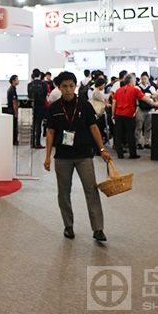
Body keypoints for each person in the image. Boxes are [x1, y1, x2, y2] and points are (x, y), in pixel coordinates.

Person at [43, 71, 112, 242]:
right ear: (59, 87)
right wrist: (47, 156)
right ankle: (68, 225)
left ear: (75, 86)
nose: (68, 89)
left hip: (84, 155)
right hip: (62, 157)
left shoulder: (84, 105)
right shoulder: (54, 108)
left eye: (71, 86)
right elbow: (50, 133)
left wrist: (102, 149)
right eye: (64, 86)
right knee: (63, 193)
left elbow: (94, 128)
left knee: (91, 190)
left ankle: (98, 229)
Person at [112, 74, 157, 159]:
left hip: (118, 115)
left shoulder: (118, 90)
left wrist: (113, 115)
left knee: (118, 135)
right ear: (132, 81)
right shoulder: (135, 90)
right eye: (135, 81)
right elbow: (145, 99)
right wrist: (155, 104)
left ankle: (120, 154)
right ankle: (132, 154)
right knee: (130, 134)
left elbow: (114, 103)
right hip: (128, 115)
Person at [27, 68, 48, 148]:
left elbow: (29, 96)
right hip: (41, 107)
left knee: (33, 125)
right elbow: (45, 95)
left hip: (33, 107)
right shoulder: (44, 84)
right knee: (39, 124)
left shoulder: (29, 84)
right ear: (39, 74)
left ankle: (32, 143)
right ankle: (38, 143)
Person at [135, 72, 156, 149]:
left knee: (148, 126)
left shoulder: (151, 87)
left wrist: (150, 96)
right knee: (138, 126)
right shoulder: (137, 87)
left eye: (145, 79)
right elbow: (137, 96)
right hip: (140, 108)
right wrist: (147, 96)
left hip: (149, 109)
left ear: (148, 79)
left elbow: (155, 95)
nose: (144, 80)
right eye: (142, 78)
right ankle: (138, 142)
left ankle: (147, 142)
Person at [89, 78, 109, 145]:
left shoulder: (96, 91)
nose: (104, 86)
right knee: (99, 128)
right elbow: (103, 101)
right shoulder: (97, 92)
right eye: (103, 85)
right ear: (100, 84)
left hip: (97, 112)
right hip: (98, 113)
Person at [7, 75, 19, 145]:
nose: (18, 80)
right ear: (13, 81)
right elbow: (14, 102)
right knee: (14, 127)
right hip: (12, 111)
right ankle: (14, 141)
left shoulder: (12, 88)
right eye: (17, 79)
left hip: (11, 110)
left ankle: (14, 140)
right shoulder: (12, 90)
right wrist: (16, 113)